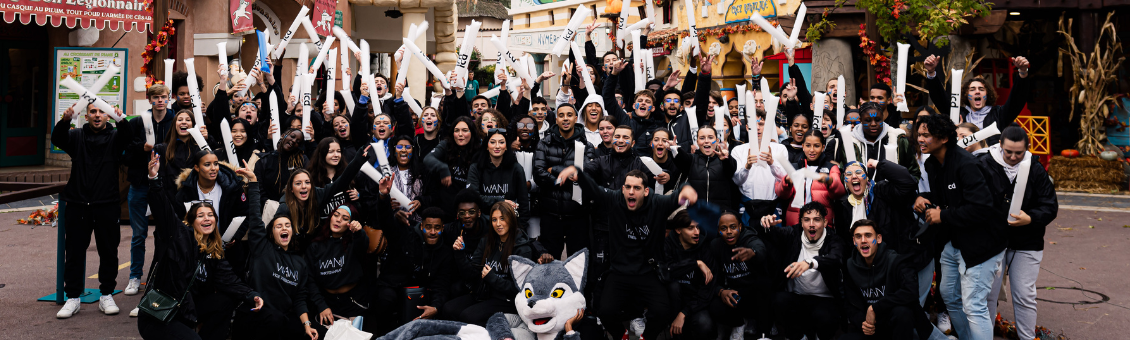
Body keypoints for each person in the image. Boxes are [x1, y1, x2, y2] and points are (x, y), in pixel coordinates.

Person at [554, 167, 698, 340]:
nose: (631, 192)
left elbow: (679, 194)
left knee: (662, 312)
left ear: (645, 191)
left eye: (636, 188)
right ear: (622, 189)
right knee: (605, 312)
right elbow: (595, 190)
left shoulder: (658, 204)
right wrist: (577, 171)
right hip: (619, 271)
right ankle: (621, 335)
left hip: (648, 272)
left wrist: (687, 187)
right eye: (628, 187)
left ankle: (647, 337)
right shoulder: (615, 200)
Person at [141, 152, 263, 340]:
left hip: (184, 309)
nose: (207, 218)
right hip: (159, 314)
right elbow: (162, 207)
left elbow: (229, 280)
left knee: (223, 302)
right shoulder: (178, 236)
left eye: (210, 215)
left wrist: (251, 295)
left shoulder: (213, 250)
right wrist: (154, 178)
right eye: (200, 215)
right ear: (190, 221)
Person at [914, 114, 1007, 340]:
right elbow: (947, 197)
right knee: (949, 296)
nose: (920, 139)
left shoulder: (968, 165)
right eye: (919, 134)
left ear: (944, 138)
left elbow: (982, 208)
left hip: (982, 244)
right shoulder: (931, 163)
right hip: (954, 240)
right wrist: (923, 197)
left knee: (974, 305)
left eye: (926, 135)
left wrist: (943, 215)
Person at [53, 104, 134, 318]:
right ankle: (72, 297)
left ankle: (106, 294)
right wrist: (65, 120)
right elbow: (57, 139)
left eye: (101, 112)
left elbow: (129, 135)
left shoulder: (115, 138)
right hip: (78, 203)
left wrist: (121, 119)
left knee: (108, 251)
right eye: (93, 112)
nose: (97, 116)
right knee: (74, 252)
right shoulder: (76, 136)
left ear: (107, 115)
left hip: (107, 204)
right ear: (86, 115)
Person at [980, 125, 1059, 340]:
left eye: (1019, 153)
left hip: (1027, 241)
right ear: (1000, 146)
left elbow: (1050, 205)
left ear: (1027, 149)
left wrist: (1031, 218)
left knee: (1024, 295)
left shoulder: (1035, 168)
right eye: (1008, 152)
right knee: (988, 294)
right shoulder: (985, 164)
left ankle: (1027, 337)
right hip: (993, 240)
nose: (1013, 157)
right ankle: (983, 336)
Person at [231, 167, 321, 340]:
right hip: (253, 314)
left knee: (307, 332)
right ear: (271, 233)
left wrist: (307, 326)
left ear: (293, 232)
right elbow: (255, 216)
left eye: (287, 225)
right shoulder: (262, 248)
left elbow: (299, 299)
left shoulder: (299, 263)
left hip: (281, 319)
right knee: (276, 320)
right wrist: (253, 182)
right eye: (278, 226)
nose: (284, 228)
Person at [445, 202, 546, 325]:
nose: (498, 224)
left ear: (511, 220)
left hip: (508, 301)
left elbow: (518, 289)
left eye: (502, 218)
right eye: (494, 219)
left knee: (469, 316)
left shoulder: (522, 248)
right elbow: (471, 274)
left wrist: (492, 278)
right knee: (448, 309)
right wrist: (459, 253)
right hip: (485, 294)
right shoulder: (487, 241)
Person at [758, 202, 845, 340]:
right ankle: (797, 336)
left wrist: (810, 263)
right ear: (801, 223)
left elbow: (835, 258)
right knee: (779, 301)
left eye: (817, 220)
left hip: (824, 299)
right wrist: (766, 224)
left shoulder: (833, 239)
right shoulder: (794, 233)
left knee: (827, 319)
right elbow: (773, 234)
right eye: (806, 220)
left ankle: (818, 335)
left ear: (825, 222)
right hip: (797, 296)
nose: (811, 224)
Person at [841, 219, 936, 340]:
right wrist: (864, 324)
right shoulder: (850, 265)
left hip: (896, 325)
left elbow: (911, 292)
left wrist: (875, 308)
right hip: (871, 327)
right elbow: (850, 303)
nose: (863, 240)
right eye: (858, 237)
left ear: (879, 239)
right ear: (854, 241)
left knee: (902, 313)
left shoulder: (896, 261)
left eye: (868, 235)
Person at [124, 83, 176, 296]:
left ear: (168, 98)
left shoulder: (174, 121)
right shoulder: (138, 122)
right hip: (140, 184)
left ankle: (162, 275)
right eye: (156, 98)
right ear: (150, 100)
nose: (160, 101)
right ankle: (135, 276)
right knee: (138, 234)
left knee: (167, 232)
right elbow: (126, 151)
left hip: (166, 185)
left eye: (163, 97)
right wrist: (141, 148)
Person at [274, 145, 371, 252]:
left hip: (312, 250)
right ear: (291, 189)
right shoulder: (284, 207)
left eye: (307, 182)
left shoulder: (316, 194)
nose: (304, 186)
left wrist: (358, 159)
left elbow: (341, 182)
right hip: (291, 252)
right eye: (298, 183)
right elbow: (276, 237)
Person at [924, 54, 1032, 145]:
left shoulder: (999, 115)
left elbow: (1017, 99)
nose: (977, 91)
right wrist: (931, 73)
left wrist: (1023, 72)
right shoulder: (957, 113)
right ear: (966, 95)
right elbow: (940, 99)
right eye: (972, 89)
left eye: (981, 89)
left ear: (987, 94)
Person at [532, 103, 595, 258]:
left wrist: (553, 170)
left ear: (575, 118)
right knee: (549, 262)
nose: (565, 119)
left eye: (569, 115)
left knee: (578, 263)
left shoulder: (587, 146)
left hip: (578, 216)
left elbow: (586, 175)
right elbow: (539, 174)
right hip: (551, 215)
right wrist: (563, 178)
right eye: (561, 115)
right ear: (556, 119)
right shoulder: (544, 143)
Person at [304, 204, 372, 325]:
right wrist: (321, 306)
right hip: (328, 303)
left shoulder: (354, 242)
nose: (338, 220)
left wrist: (359, 232)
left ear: (351, 223)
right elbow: (310, 279)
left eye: (345, 218)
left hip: (353, 302)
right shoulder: (315, 246)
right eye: (336, 215)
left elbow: (363, 244)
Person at [708, 211, 770, 337]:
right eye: (723, 228)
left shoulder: (748, 238)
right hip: (733, 294)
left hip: (752, 294)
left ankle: (762, 329)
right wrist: (721, 291)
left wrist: (753, 252)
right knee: (714, 304)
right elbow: (713, 277)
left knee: (764, 288)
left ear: (740, 227)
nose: (729, 232)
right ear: (718, 230)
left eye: (733, 227)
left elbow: (760, 248)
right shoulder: (715, 246)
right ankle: (739, 324)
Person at [663, 211, 717, 340]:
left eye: (698, 227)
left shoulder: (705, 248)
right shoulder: (668, 245)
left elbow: (707, 289)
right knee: (673, 286)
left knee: (705, 325)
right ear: (678, 230)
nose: (697, 232)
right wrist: (695, 263)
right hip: (671, 303)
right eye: (691, 228)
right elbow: (665, 272)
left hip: (695, 303)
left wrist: (684, 313)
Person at [776, 129, 846, 228]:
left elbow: (839, 192)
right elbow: (782, 195)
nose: (812, 150)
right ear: (803, 147)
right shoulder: (794, 167)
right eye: (808, 145)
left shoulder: (831, 168)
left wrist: (829, 180)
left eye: (816, 146)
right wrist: (786, 182)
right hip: (795, 224)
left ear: (823, 147)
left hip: (821, 225)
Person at [731, 108, 788, 225]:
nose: (757, 128)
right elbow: (736, 181)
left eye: (761, 124)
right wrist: (747, 167)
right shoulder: (738, 150)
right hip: (747, 208)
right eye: (753, 124)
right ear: (747, 127)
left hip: (772, 208)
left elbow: (785, 179)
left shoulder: (779, 148)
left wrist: (772, 163)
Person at [468, 128, 531, 228]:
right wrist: (501, 201)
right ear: (487, 146)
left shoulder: (516, 169)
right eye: (492, 142)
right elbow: (473, 197)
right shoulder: (476, 168)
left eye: (501, 142)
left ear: (506, 147)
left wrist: (520, 228)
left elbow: (523, 204)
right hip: (482, 223)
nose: (497, 146)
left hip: (509, 224)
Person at [842, 102, 920, 181]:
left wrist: (900, 188)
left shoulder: (899, 140)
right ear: (861, 120)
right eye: (868, 120)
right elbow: (842, 173)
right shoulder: (850, 143)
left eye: (878, 120)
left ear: (883, 118)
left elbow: (914, 173)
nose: (873, 124)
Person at [423, 116, 483, 220]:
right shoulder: (446, 144)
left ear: (472, 132)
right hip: (445, 208)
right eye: (457, 130)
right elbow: (428, 159)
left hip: (469, 210)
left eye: (465, 130)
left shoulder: (479, 149)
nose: (460, 134)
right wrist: (443, 168)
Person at [673, 126, 738, 211]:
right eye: (702, 138)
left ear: (717, 141)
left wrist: (726, 159)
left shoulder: (725, 161)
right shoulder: (690, 160)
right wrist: (674, 148)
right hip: (695, 216)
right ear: (697, 142)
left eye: (710, 138)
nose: (706, 141)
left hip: (720, 215)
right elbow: (680, 157)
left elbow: (731, 169)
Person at [254, 129, 310, 206]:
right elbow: (258, 190)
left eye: (298, 142)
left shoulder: (302, 161)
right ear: (283, 135)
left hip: (294, 207)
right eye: (292, 136)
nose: (293, 141)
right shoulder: (264, 161)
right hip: (269, 209)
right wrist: (269, 205)